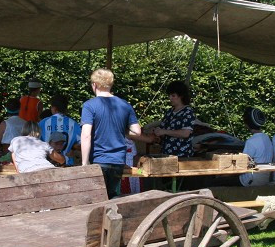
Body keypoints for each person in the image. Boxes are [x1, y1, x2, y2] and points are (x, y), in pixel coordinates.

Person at [80, 68, 143, 199]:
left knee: (98, 197)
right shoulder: (125, 105)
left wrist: (84, 163)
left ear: (94, 85)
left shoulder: (89, 105)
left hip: (98, 159)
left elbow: (86, 135)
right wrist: (123, 129)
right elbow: (137, 132)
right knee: (113, 194)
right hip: (118, 160)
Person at [152, 80, 196, 157]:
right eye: (169, 95)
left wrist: (165, 131)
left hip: (182, 155)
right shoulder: (170, 112)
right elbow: (162, 129)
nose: (170, 98)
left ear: (181, 96)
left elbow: (185, 133)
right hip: (167, 153)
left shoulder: (188, 112)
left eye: (173, 96)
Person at [239, 107, 275, 187]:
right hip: (265, 179)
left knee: (217, 181)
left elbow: (242, 163)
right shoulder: (267, 138)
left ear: (247, 124)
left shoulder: (251, 141)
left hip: (251, 180)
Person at [38, 94, 81, 165]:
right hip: (67, 164)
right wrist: (72, 147)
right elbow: (81, 144)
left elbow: (36, 143)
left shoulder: (43, 123)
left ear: (54, 108)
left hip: (47, 164)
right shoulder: (74, 124)